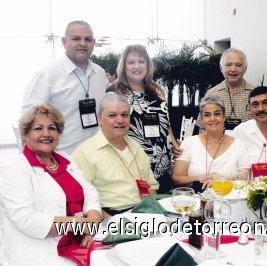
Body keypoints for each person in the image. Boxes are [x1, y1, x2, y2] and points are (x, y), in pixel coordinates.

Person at [0, 104, 102, 265]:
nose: (46, 134)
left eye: (52, 128)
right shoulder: (15, 169)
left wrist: (93, 218)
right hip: (39, 255)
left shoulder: (66, 159)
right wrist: (80, 225)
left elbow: (90, 191)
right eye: (38, 128)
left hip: (79, 243)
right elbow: (28, 221)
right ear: (25, 134)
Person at [22, 20, 107, 154]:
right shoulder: (47, 74)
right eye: (76, 38)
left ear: (94, 43)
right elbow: (27, 119)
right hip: (61, 156)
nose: (83, 43)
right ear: (64, 41)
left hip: (95, 155)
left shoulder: (100, 73)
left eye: (88, 39)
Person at [72, 93, 159, 219]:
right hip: (110, 218)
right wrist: (112, 224)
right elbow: (82, 200)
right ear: (100, 117)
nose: (120, 120)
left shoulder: (137, 148)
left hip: (144, 214)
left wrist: (153, 214)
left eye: (124, 115)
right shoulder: (83, 153)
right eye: (113, 115)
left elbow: (151, 186)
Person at [107, 44, 179, 193]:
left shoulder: (158, 90)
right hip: (133, 164)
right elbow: (108, 127)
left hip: (162, 163)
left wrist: (174, 143)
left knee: (164, 210)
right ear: (124, 66)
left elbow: (165, 121)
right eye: (131, 62)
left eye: (141, 61)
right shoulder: (115, 92)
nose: (136, 66)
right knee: (139, 212)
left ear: (148, 65)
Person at [173, 95, 250, 192]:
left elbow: (245, 176)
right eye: (207, 115)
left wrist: (222, 182)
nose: (212, 119)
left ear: (224, 116)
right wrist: (203, 177)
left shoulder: (238, 144)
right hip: (195, 200)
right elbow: (176, 178)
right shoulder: (189, 143)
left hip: (229, 199)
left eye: (217, 114)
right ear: (201, 118)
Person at [196, 48, 255, 131]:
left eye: (238, 65)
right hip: (219, 143)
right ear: (221, 68)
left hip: (247, 143)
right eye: (228, 65)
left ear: (245, 69)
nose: (233, 69)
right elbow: (203, 128)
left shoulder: (255, 94)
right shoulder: (212, 94)